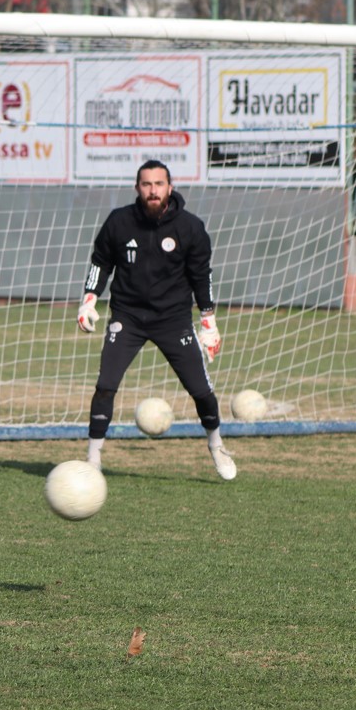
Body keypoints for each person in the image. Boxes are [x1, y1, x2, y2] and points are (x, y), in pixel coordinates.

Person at [75, 159, 236, 480]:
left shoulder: (190, 228)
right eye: (146, 184)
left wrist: (209, 321)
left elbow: (201, 276)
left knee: (201, 389)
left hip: (172, 319)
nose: (153, 191)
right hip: (128, 316)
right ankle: (93, 460)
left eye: (158, 184)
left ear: (170, 188)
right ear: (138, 188)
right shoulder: (119, 222)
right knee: (105, 385)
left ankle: (216, 445)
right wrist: (90, 298)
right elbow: (101, 261)